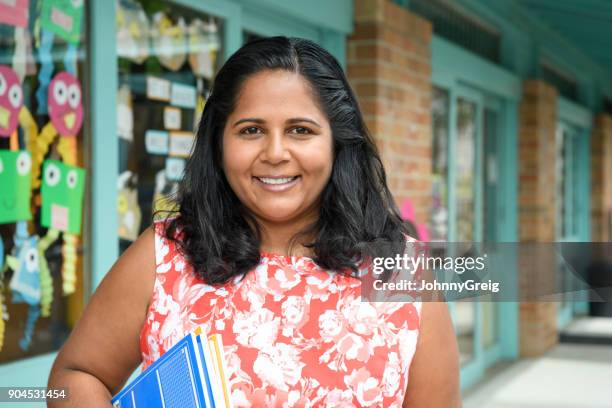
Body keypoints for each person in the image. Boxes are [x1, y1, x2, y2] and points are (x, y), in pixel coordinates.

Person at [48, 37, 460, 407]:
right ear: (219, 141)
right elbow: (72, 379)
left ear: (338, 142)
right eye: (251, 130)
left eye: (300, 130)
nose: (275, 152)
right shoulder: (166, 256)